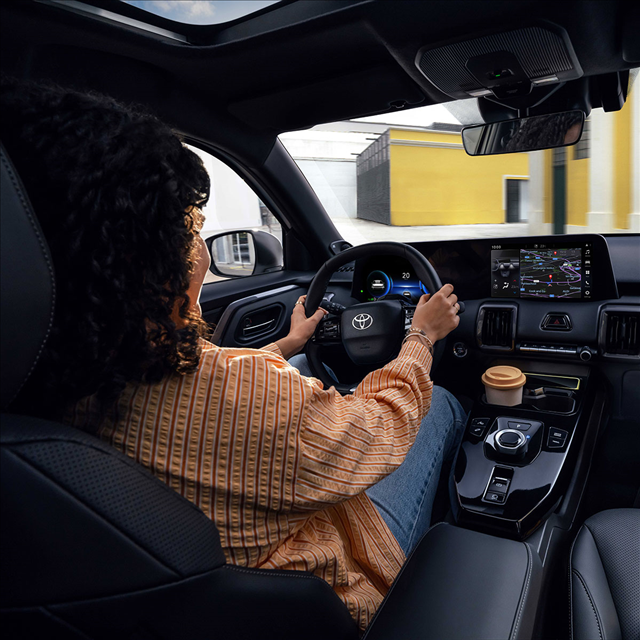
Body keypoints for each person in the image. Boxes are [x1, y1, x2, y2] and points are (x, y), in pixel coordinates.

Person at [1, 76, 465, 631]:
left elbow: (211, 391)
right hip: (327, 596)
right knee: (436, 404)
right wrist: (421, 338)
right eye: (185, 227)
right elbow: (376, 431)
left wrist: (287, 346)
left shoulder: (51, 380)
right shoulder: (249, 400)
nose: (197, 248)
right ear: (141, 263)